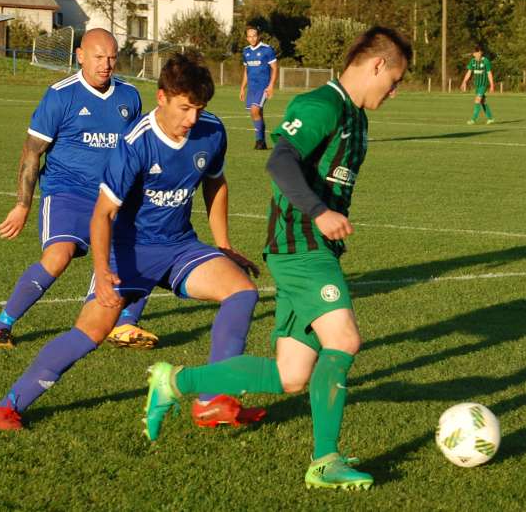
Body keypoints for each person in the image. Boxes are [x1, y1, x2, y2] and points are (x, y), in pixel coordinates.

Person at [143, 26, 412, 491]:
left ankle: (175, 382)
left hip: (312, 248)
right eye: (396, 79)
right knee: (344, 341)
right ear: (377, 65)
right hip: (301, 245)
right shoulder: (320, 105)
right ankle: (325, 461)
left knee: (291, 376)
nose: (396, 90)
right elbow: (280, 161)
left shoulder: (356, 116)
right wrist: (320, 211)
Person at [0, 53, 264, 430]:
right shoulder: (135, 144)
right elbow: (102, 214)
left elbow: (215, 181)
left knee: (242, 292)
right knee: (89, 334)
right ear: (161, 97)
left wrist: (224, 244)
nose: (192, 119)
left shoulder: (211, 131)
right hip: (128, 253)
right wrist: (101, 271)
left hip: (179, 245)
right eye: (184, 108)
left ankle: (212, 397)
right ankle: (7, 406)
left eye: (199, 108)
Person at [0, 28, 157, 349]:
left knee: (142, 252)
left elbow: (134, 149)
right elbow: (32, 151)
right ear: (80, 56)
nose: (106, 65)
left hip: (111, 198)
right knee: (58, 256)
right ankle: (0, 327)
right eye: (98, 57)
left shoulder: (129, 96)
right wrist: (22, 205)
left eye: (112, 58)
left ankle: (125, 325)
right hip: (67, 192)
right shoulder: (61, 95)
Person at [240, 26, 278, 150]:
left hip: (263, 87)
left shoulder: (267, 50)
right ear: (247, 38)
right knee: (257, 113)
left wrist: (271, 85)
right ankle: (262, 142)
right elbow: (246, 70)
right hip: (252, 87)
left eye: (254, 35)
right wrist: (242, 88)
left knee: (255, 110)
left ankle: (259, 140)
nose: (252, 38)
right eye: (250, 36)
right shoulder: (246, 51)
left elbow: (274, 68)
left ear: (258, 36)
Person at [460, 44, 495, 125]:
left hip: (483, 85)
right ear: (474, 53)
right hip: (477, 85)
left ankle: (473, 119)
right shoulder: (472, 62)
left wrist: (492, 85)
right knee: (483, 101)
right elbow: (469, 72)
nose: (478, 54)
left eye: (479, 52)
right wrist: (464, 82)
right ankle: (490, 118)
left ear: (481, 53)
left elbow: (489, 73)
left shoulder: (486, 61)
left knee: (477, 100)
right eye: (476, 53)